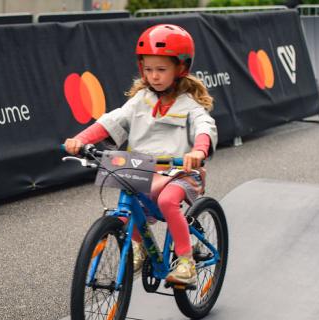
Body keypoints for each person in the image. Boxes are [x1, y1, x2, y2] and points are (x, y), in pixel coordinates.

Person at [63, 24, 217, 286]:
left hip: (180, 172)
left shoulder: (188, 105)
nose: (153, 76)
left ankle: (186, 262)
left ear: (181, 68)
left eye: (161, 69)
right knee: (127, 207)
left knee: (167, 201)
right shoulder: (140, 100)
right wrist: (81, 140)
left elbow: (205, 126)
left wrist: (198, 151)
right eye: (148, 69)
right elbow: (113, 120)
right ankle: (138, 246)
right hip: (143, 168)